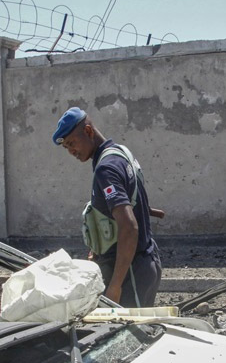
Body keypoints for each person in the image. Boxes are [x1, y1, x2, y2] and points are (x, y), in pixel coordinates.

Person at [52, 107, 163, 307]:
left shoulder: (106, 168)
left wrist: (115, 286)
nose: (71, 152)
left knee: (128, 336)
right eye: (66, 147)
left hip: (131, 275)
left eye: (72, 143)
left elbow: (129, 227)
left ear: (87, 131)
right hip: (144, 264)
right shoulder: (120, 153)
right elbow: (132, 201)